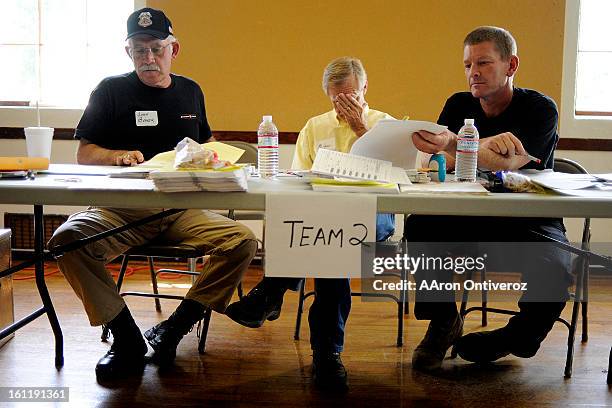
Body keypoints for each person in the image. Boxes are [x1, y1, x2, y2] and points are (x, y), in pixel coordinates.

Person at [48, 8, 258, 382]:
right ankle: (126, 337)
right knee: (66, 240)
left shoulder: (191, 90)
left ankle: (172, 330)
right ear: (127, 51)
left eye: (156, 48)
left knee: (242, 241)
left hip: (184, 208)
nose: (148, 57)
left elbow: (205, 141)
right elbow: (85, 152)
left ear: (173, 50)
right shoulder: (110, 90)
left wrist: (210, 155)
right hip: (122, 209)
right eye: (139, 49)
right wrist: (117, 156)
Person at [405, 26, 572, 372]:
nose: (473, 73)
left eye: (483, 63)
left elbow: (513, 165)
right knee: (420, 225)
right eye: (467, 65)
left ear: (511, 65)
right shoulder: (458, 104)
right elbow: (433, 160)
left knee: (557, 265)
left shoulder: (540, 109)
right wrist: (477, 148)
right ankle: (443, 322)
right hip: (468, 214)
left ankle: (519, 336)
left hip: (529, 218)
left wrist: (459, 145)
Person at [225, 57, 395, 391]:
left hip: (374, 216)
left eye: (351, 96)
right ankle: (327, 354)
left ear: (365, 88)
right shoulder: (315, 126)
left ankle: (271, 293)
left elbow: (395, 178)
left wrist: (361, 126)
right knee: (330, 250)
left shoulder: (384, 125)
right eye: (337, 99)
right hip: (325, 222)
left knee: (328, 241)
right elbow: (298, 179)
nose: (344, 104)